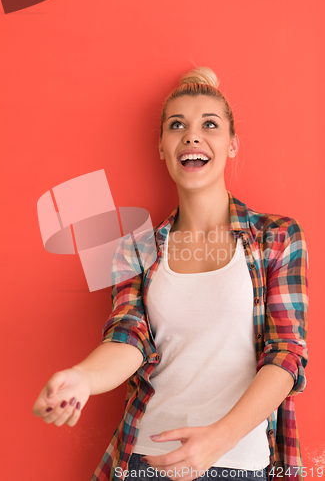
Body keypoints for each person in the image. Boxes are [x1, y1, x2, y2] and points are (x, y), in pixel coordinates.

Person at [32, 67, 309, 481]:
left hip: (239, 462)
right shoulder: (135, 249)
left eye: (209, 125)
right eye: (176, 125)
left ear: (232, 145)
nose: (192, 136)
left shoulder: (277, 236)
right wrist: (81, 377)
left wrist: (219, 438)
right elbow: (128, 340)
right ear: (162, 148)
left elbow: (286, 356)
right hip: (146, 461)